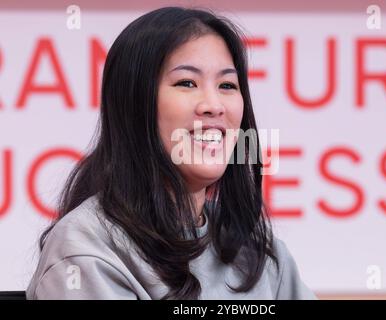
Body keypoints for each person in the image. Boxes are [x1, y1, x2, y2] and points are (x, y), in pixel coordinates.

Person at [26, 6, 316, 300]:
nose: (214, 105)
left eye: (227, 85)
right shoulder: (85, 249)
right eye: (187, 83)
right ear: (134, 106)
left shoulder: (256, 250)